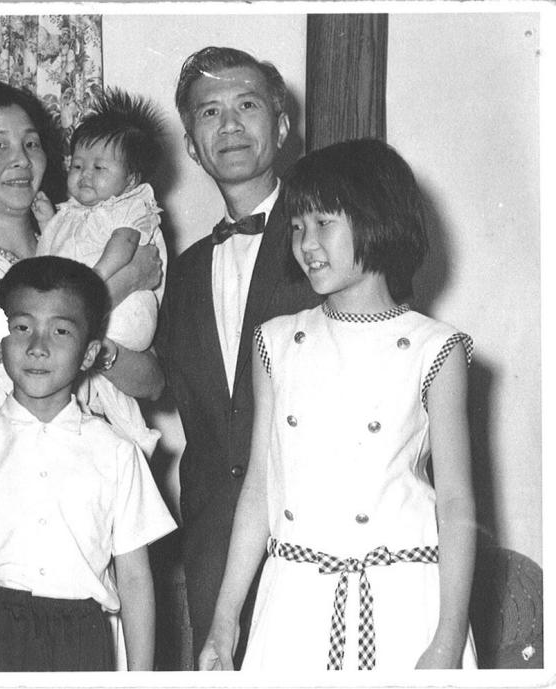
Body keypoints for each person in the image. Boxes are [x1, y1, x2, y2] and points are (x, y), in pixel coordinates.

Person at [199, 138, 478, 671]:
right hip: (295, 602)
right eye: (298, 226)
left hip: (403, 603)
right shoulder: (275, 341)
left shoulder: (435, 349)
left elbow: (457, 504)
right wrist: (224, 620)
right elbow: (260, 486)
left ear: (377, 220)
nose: (306, 243)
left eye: (324, 222)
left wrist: (447, 638)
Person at [0, 256, 177, 671]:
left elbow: (134, 578)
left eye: (61, 331)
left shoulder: (116, 452)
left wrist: (141, 677)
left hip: (80, 636)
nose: (38, 346)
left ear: (88, 354)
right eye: (22, 328)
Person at [155, 46, 320, 662]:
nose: (229, 125)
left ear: (280, 126)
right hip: (212, 541)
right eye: (209, 112)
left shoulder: (328, 239)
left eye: (247, 105)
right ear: (193, 146)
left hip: (317, 531)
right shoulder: (188, 270)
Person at [0, 80, 163, 430]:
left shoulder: (75, 244)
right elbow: (27, 330)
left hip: (99, 465)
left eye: (31, 143)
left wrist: (102, 352)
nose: (21, 158)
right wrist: (130, 278)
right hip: (4, 467)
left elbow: (153, 382)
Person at [31, 86, 166, 458]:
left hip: (126, 319)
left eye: (100, 168)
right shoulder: (74, 213)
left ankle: (131, 432)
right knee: (95, 395)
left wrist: (93, 281)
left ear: (131, 178)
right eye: (77, 165)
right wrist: (47, 220)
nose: (84, 175)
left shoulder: (129, 206)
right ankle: (129, 431)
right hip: (102, 320)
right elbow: (59, 246)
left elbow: (122, 246)